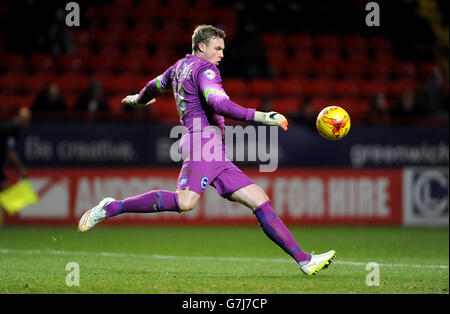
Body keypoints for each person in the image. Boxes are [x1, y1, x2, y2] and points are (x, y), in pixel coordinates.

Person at [78, 25, 335, 276]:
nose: (222, 54)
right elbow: (218, 102)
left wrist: (137, 100)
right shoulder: (205, 69)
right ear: (202, 46)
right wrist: (263, 116)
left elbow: (152, 87)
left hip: (213, 150)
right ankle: (112, 207)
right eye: (218, 48)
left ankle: (305, 260)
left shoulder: (177, 67)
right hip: (203, 142)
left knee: (259, 199)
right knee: (186, 202)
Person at [0, 107, 31, 191]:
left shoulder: (14, 129)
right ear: (19, 118)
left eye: (28, 119)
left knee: (5, 190)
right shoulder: (11, 129)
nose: (26, 122)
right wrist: (20, 168)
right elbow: (10, 152)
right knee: (5, 189)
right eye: (25, 119)